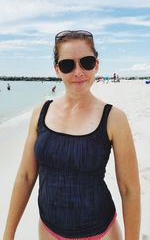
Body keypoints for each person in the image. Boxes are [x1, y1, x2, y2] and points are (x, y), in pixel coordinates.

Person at [3, 30, 141, 240]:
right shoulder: (40, 112)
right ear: (57, 70)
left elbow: (129, 189)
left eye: (86, 62)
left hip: (100, 233)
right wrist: (8, 233)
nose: (78, 72)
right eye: (68, 65)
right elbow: (26, 176)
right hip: (48, 230)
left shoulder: (114, 118)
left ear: (96, 65)